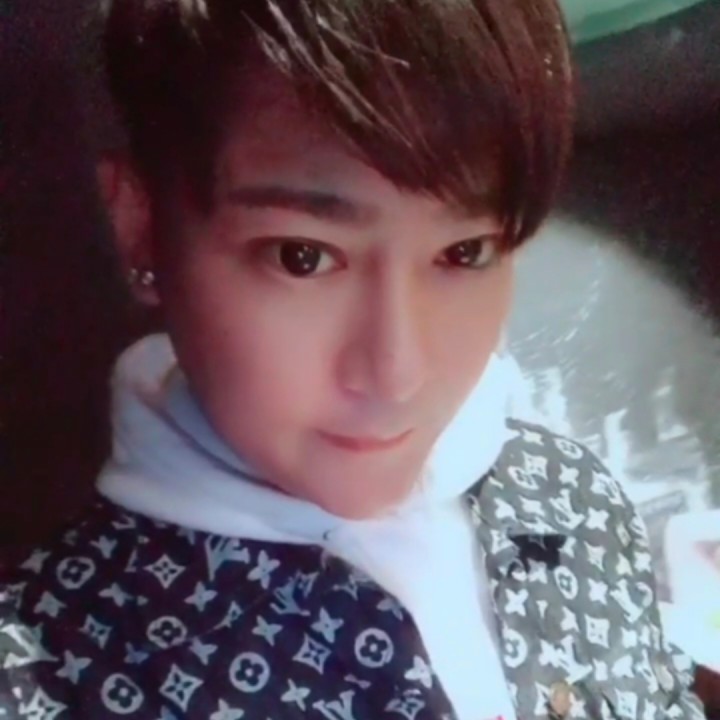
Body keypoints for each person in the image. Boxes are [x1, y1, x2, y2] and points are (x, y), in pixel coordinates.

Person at [0, 1, 705, 718]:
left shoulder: (570, 493)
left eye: (464, 252)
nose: (398, 374)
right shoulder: (50, 671)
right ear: (143, 227)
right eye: (301, 258)